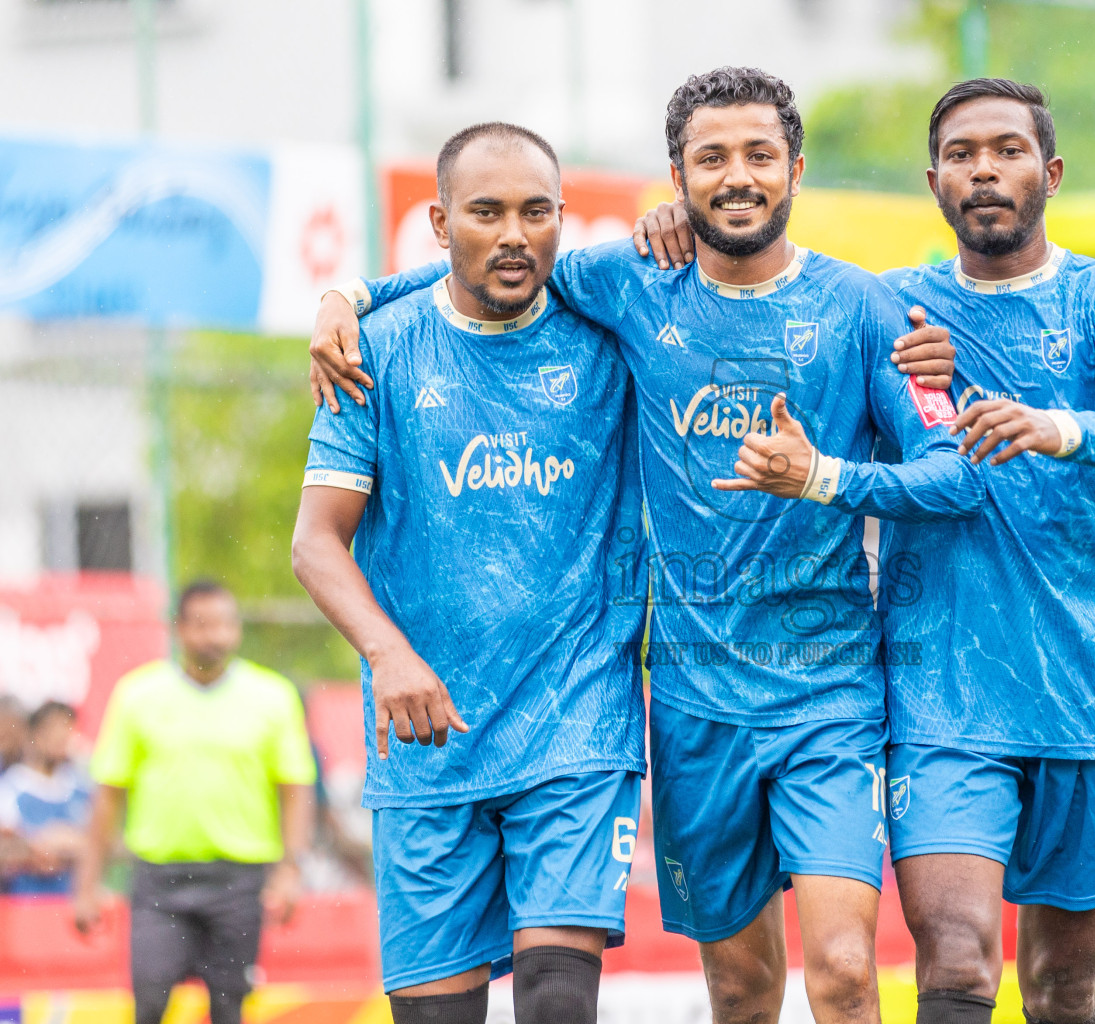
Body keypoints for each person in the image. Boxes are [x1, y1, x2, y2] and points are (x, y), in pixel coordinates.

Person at [306, 70, 982, 1024]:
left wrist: (825, 477)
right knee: (739, 990)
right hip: (687, 707)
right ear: (678, 177)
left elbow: (956, 476)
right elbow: (495, 264)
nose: (737, 176)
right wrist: (348, 294)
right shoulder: (619, 286)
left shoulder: (861, 308)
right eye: (712, 158)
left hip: (811, 695)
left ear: (796, 168)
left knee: (840, 971)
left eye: (759, 155)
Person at [630, 77, 1095, 1024]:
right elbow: (761, 282)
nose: (985, 170)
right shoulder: (890, 309)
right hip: (942, 700)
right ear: (934, 183)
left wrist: (1051, 426)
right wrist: (673, 222)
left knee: (1066, 988)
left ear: (1051, 172)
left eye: (1008, 150)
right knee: (958, 958)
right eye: (962, 156)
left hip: (1090, 691)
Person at [293, 121, 650, 1024]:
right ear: (439, 222)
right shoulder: (374, 351)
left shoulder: (606, 329)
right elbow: (315, 542)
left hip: (576, 722)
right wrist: (389, 656)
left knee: (557, 1001)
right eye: (486, 212)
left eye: (537, 212)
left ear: (563, 217)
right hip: (426, 741)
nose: (514, 235)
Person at [73, 581, 315, 1024]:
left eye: (224, 624)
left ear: (237, 629)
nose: (215, 636)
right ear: (179, 628)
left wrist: (291, 870)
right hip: (159, 882)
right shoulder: (137, 695)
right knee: (149, 1002)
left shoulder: (273, 697)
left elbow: (296, 790)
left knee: (229, 1008)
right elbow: (108, 796)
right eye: (203, 624)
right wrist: (88, 885)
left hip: (238, 882)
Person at [0, 701, 92, 894]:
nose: (60, 737)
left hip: (71, 899)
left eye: (66, 729)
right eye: (53, 729)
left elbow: (105, 839)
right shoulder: (12, 786)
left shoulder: (81, 787)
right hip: (24, 899)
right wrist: (33, 847)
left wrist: (72, 842)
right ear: (35, 734)